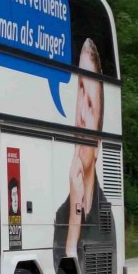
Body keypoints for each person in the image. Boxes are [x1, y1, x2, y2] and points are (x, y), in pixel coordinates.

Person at [54, 38, 116, 260]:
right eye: (80, 91)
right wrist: (73, 214)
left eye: (90, 105)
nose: (80, 114)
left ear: (98, 143)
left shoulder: (106, 218)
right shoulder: (61, 213)